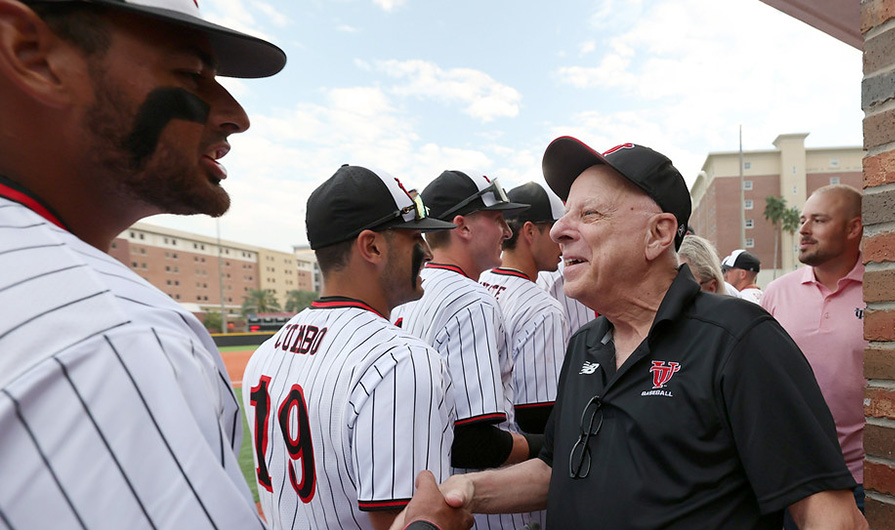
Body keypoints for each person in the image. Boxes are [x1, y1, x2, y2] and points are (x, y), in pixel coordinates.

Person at [0, 2, 468, 528]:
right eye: (191, 72)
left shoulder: (267, 349)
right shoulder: (119, 334)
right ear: (30, 52)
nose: (235, 115)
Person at [440, 138, 867, 530]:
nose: (559, 230)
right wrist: (469, 493)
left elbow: (827, 513)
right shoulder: (584, 343)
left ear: (659, 233)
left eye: (588, 213)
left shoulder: (740, 341)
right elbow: (556, 468)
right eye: (565, 213)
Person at [242, 165, 463, 530]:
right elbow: (404, 521)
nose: (427, 251)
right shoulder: (401, 359)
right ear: (372, 246)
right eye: (413, 238)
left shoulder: (266, 352)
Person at [390, 170, 543, 530]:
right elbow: (474, 443)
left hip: (417, 491)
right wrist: (546, 445)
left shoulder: (405, 293)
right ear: (463, 227)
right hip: (475, 500)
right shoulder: (471, 300)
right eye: (498, 218)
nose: (507, 232)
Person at [760, 184, 867, 528]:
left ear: (854, 228)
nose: (803, 229)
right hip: (790, 478)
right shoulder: (777, 293)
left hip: (863, 479)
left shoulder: (885, 291)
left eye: (818, 220)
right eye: (803, 219)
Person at [479, 181, 569, 435]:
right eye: (555, 229)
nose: (562, 240)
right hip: (511, 459)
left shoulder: (477, 281)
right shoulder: (542, 308)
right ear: (530, 232)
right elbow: (539, 418)